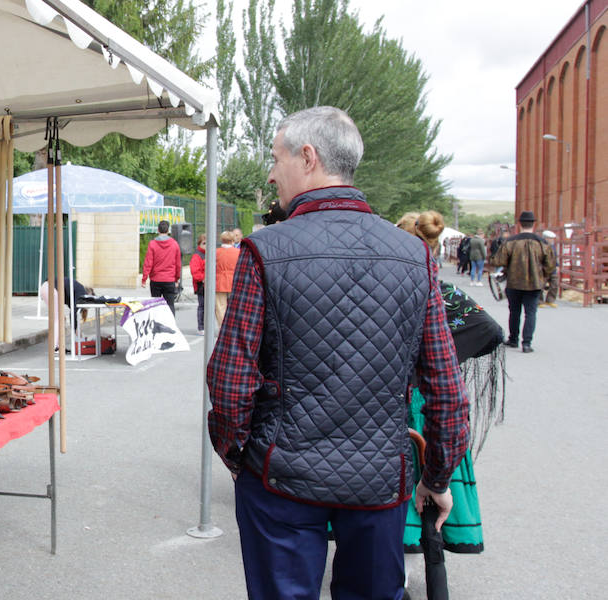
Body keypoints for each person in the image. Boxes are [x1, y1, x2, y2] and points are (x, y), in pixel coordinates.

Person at [207, 106, 469, 600]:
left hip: (280, 473)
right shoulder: (414, 255)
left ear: (308, 157)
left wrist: (237, 454)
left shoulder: (265, 250)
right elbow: (445, 384)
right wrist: (437, 477)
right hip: (379, 476)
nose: (271, 173)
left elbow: (230, 377)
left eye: (276, 158)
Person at [397, 211, 506, 573]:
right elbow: (488, 328)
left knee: (403, 473)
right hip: (437, 398)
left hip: (405, 397)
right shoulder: (442, 290)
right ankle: (408, 566)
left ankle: (400, 569)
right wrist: (445, 360)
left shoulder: (393, 286)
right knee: (430, 467)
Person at [490, 210, 555, 353]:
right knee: (530, 313)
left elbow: (497, 261)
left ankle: (513, 339)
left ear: (520, 224)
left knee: (514, 312)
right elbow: (550, 265)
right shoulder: (542, 243)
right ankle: (527, 344)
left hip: (514, 282)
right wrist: (542, 277)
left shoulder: (510, 242)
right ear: (533, 224)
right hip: (534, 284)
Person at [141, 220, 181, 314]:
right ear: (168, 231)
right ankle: (170, 322)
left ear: (158, 230)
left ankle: (156, 322)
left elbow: (148, 263)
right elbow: (178, 264)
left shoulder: (152, 244)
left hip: (156, 280)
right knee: (170, 304)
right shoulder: (174, 244)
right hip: (169, 280)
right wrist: (176, 279)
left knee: (155, 305)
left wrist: (144, 279)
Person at [214, 230, 240, 327]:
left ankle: (222, 327)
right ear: (232, 240)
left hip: (219, 281)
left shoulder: (216, 252)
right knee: (235, 306)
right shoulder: (238, 252)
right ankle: (233, 326)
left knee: (220, 307)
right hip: (234, 281)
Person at [190, 233, 207, 334]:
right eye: (204, 243)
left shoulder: (210, 253)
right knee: (202, 306)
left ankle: (206, 325)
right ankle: (201, 327)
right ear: (200, 244)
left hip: (209, 284)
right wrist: (203, 278)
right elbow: (195, 272)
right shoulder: (197, 255)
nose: (206, 245)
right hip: (201, 285)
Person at [540, 230, 559, 308]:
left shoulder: (552, 246)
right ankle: (539, 301)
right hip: (543, 268)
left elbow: (554, 257)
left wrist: (557, 265)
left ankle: (550, 300)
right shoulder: (540, 246)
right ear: (546, 238)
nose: (552, 240)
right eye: (550, 238)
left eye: (552, 238)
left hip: (552, 268)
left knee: (555, 284)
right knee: (541, 285)